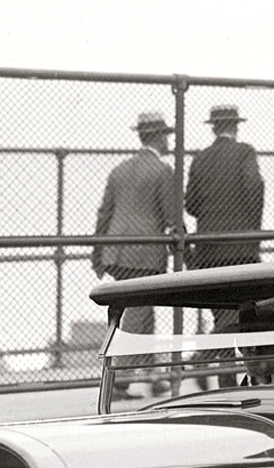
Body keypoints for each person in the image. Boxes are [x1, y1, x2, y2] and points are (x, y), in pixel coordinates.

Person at [91, 111, 176, 393]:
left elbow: (104, 213)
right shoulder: (162, 170)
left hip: (117, 253)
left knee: (142, 311)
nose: (168, 142)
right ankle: (122, 379)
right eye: (166, 136)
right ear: (158, 137)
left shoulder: (119, 170)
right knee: (139, 314)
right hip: (145, 254)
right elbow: (171, 217)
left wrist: (97, 253)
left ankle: (151, 375)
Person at [184, 104, 264, 271]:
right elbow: (254, 187)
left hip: (207, 245)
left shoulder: (200, 158)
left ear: (214, 129)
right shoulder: (245, 152)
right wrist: (252, 223)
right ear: (235, 127)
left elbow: (190, 204)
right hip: (241, 244)